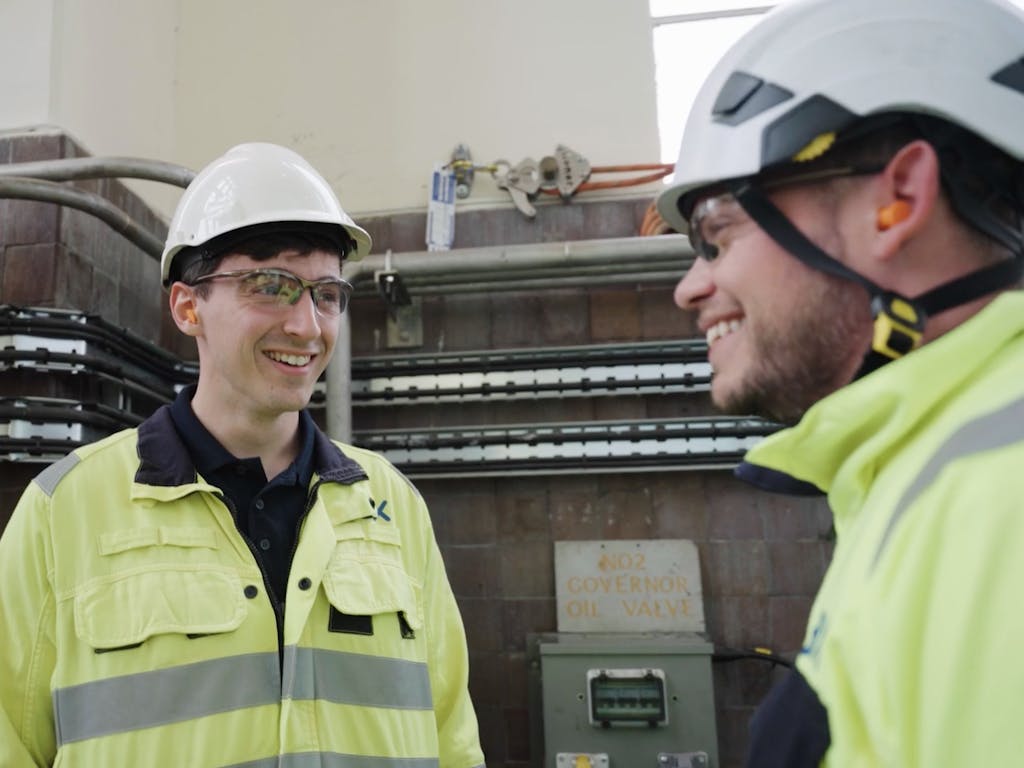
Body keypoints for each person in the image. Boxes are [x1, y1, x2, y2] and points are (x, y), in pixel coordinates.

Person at [0, 142, 486, 767]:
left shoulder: (391, 504)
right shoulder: (63, 510)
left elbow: (452, 738)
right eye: (271, 286)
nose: (308, 326)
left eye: (327, 293)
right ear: (187, 306)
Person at [656, 0, 1024, 765]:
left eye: (718, 233)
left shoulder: (1001, 500)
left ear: (899, 202)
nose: (691, 287)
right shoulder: (929, 469)